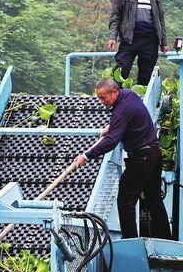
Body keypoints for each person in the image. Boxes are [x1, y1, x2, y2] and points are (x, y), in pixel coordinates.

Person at [73, 79, 171, 239]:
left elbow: (111, 141)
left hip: (141, 158)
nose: (101, 102)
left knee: (125, 201)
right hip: (154, 153)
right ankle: (166, 238)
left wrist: (86, 156)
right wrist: (113, 126)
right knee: (154, 200)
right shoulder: (130, 95)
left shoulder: (120, 111)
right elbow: (131, 117)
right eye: (99, 98)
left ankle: (130, 241)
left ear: (114, 92)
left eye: (103, 98)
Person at [107, 0, 168, 87]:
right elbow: (115, 16)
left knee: (146, 76)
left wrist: (164, 42)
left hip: (150, 40)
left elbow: (160, 19)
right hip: (129, 39)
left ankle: (141, 105)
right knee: (120, 70)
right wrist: (112, 37)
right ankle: (113, 102)